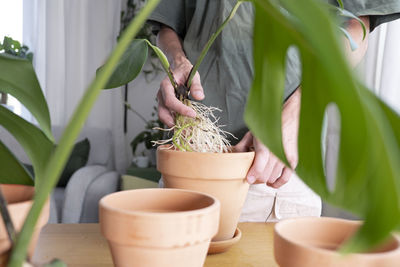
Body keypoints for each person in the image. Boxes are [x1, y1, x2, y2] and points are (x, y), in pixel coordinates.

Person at [148, 0, 400, 222]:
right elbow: (170, 24)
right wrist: (177, 62)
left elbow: (356, 28)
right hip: (188, 162)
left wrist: (297, 110)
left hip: (276, 170)